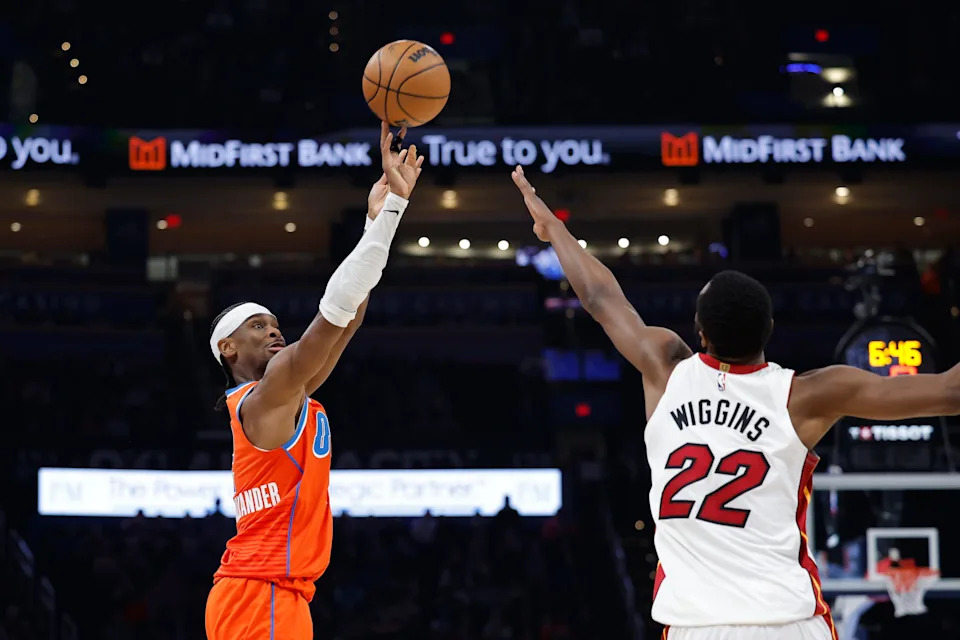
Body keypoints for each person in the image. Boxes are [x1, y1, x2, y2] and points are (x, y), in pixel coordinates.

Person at [509, 165, 960, 640]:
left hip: (694, 627)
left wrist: (554, 230)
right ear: (769, 330)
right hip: (787, 624)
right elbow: (950, 392)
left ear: (700, 332)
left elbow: (601, 298)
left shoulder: (666, 369)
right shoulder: (805, 396)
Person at [203, 123, 423, 640]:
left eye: (276, 324)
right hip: (258, 594)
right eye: (258, 326)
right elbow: (334, 309)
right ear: (228, 348)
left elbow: (349, 318)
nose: (274, 330)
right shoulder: (267, 394)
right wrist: (391, 214)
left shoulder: (288, 391)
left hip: (273, 594)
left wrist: (374, 220)